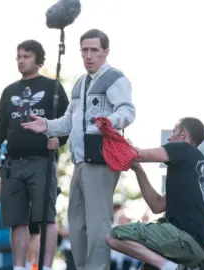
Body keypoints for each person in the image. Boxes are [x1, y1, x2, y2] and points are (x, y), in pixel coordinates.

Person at [22, 29, 136, 269]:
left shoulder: (115, 78)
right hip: (80, 161)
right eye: (84, 50)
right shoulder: (80, 83)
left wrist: (111, 121)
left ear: (106, 52)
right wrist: (47, 126)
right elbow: (67, 121)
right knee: (76, 223)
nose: (89, 55)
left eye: (94, 50)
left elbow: (127, 111)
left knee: (97, 224)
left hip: (101, 159)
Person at [0, 39, 69, 270]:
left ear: (38, 60)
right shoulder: (10, 90)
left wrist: (59, 139)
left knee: (46, 218)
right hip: (13, 163)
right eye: (18, 57)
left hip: (42, 160)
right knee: (16, 220)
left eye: (26, 56)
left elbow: (66, 122)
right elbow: (0, 126)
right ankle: (19, 267)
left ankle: (46, 266)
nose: (21, 61)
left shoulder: (53, 87)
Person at [104, 117, 204, 270]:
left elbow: (136, 154)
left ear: (183, 135)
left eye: (173, 131)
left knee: (114, 236)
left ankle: (171, 268)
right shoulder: (196, 169)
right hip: (196, 249)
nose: (169, 137)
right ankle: (173, 266)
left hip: (182, 238)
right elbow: (157, 205)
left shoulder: (183, 148)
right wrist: (138, 169)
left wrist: (119, 141)